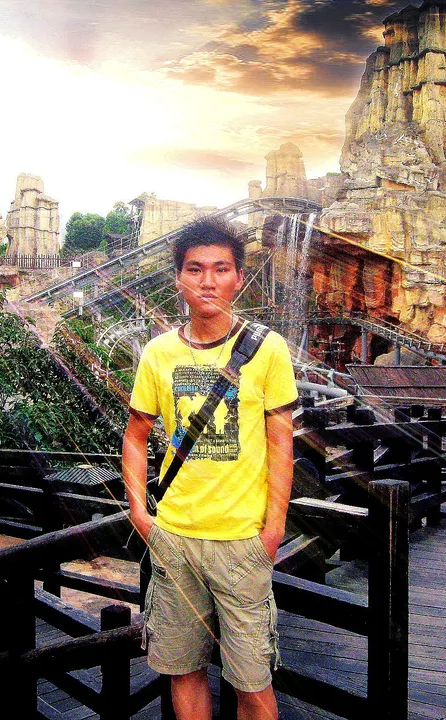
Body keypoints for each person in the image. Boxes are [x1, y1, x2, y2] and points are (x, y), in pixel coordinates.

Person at [122, 218, 298, 720]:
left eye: (221, 269)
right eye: (195, 269)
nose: (208, 281)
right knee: (184, 671)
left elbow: (281, 443)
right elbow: (135, 436)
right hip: (175, 538)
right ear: (179, 278)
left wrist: (273, 530)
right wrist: (140, 514)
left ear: (238, 278)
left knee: (254, 686)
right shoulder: (159, 353)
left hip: (242, 542)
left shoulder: (268, 349)